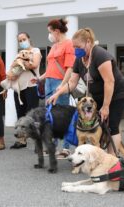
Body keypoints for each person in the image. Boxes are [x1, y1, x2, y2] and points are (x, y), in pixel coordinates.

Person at [47, 28, 124, 156]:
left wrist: (106, 106)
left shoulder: (100, 55)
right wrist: (57, 93)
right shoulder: (79, 60)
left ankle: (111, 160)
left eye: (78, 46)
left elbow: (109, 82)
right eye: (74, 47)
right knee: (103, 125)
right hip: (99, 95)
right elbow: (72, 83)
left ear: (88, 42)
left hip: (117, 93)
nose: (76, 50)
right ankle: (103, 155)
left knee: (111, 125)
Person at [33, 18, 75, 158]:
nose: (49, 35)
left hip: (59, 83)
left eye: (50, 32)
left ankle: (66, 149)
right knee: (51, 116)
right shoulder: (55, 46)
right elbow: (51, 67)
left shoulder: (69, 44)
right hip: (49, 82)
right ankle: (53, 146)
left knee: (63, 116)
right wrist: (40, 78)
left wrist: (63, 85)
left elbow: (69, 68)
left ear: (56, 31)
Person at [9, 32, 42, 149]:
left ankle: (37, 142)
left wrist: (21, 62)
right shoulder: (18, 54)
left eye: (24, 39)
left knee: (32, 116)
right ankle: (21, 140)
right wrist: (22, 63)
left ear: (29, 39)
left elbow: (34, 65)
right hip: (18, 89)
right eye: (20, 40)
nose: (22, 42)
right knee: (20, 115)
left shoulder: (36, 51)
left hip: (31, 87)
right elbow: (12, 67)